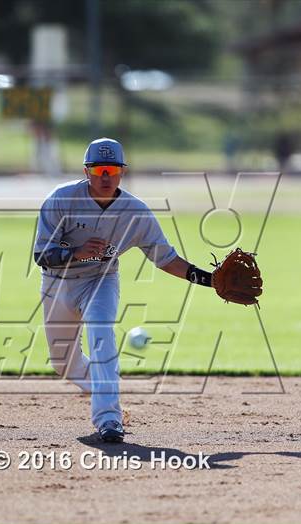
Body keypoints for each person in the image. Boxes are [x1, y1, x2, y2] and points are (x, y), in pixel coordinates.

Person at [34, 137, 215, 443]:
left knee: (101, 334)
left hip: (100, 280)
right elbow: (41, 255)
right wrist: (76, 254)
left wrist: (209, 281)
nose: (106, 176)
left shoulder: (135, 212)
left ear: (122, 172)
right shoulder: (62, 199)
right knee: (63, 364)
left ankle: (109, 419)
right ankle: (107, 388)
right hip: (57, 282)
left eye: (113, 169)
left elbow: (167, 259)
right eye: (100, 169)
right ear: (87, 171)